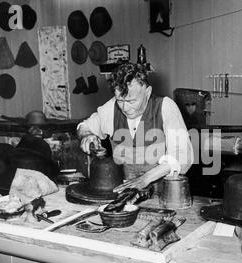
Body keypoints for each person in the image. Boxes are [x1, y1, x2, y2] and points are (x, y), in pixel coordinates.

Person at [77, 63, 194, 194]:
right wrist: (87, 135)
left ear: (147, 92)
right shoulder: (111, 107)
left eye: (132, 101)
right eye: (120, 101)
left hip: (163, 193)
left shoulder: (165, 107)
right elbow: (84, 126)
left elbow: (182, 156)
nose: (125, 108)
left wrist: (145, 179)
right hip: (124, 190)